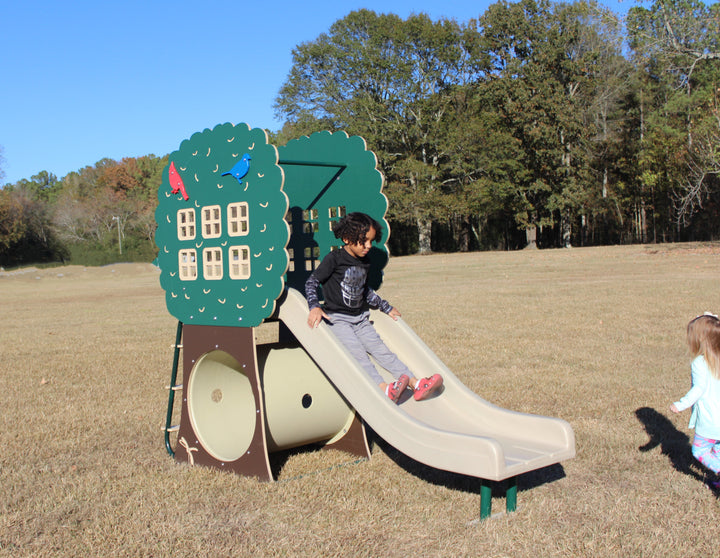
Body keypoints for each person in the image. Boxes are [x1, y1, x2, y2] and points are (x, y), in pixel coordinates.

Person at [305, 212, 443, 403]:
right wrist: (314, 306)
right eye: (363, 241)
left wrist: (386, 307)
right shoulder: (334, 259)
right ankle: (383, 389)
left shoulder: (365, 262)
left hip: (360, 318)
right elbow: (312, 282)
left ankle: (415, 384)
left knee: (382, 351)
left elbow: (364, 291)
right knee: (358, 355)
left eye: (370, 241)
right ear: (347, 238)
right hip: (338, 320)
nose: (368, 246)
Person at [670, 312, 720, 488]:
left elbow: (698, 389)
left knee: (700, 450)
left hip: (710, 421)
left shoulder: (700, 362)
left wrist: (680, 404)